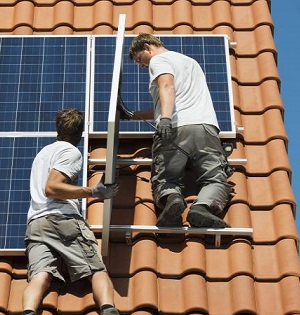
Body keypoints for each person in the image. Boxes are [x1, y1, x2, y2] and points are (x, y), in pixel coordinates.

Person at [122, 33, 233, 228]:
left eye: (140, 60)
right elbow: (174, 99)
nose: (142, 66)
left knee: (167, 177)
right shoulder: (190, 62)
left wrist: (165, 119)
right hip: (204, 128)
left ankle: (172, 199)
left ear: (148, 47)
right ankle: (202, 207)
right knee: (214, 177)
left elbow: (167, 86)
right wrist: (134, 115)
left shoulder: (159, 59)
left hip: (175, 129)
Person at [22, 108, 121, 315]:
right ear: (80, 133)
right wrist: (92, 192)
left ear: (58, 129)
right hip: (62, 219)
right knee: (96, 269)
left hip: (37, 224)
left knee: (40, 274)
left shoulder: (42, 154)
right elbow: (52, 188)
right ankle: (108, 308)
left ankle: (29, 311)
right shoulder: (70, 152)